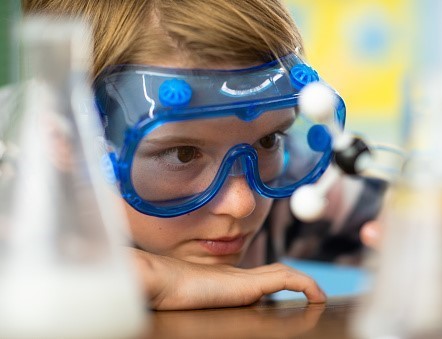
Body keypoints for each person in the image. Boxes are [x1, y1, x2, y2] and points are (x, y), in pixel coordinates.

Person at [20, 0, 387, 311]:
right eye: (183, 154)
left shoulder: (293, 191)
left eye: (268, 140)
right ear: (67, 141)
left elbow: (417, 226)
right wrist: (155, 279)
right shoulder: (23, 200)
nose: (242, 204)